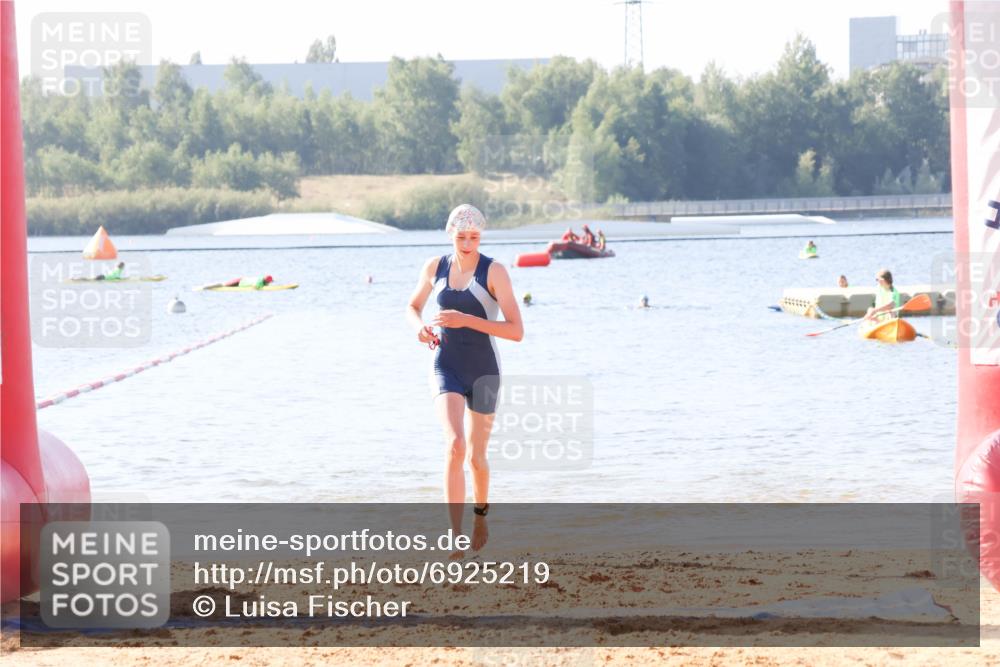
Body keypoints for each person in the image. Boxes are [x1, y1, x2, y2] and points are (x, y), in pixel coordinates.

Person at [406, 204, 524, 558]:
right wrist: (420, 329)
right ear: (449, 234)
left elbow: (516, 331)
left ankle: (480, 516)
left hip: (485, 369)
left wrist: (465, 319)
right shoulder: (434, 266)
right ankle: (454, 535)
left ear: (481, 236)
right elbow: (412, 307)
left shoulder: (495, 272)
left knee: (476, 458)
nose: (468, 243)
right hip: (446, 364)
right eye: (461, 237)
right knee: (455, 443)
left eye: (474, 237)